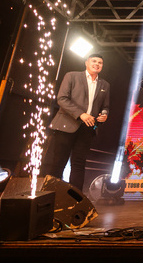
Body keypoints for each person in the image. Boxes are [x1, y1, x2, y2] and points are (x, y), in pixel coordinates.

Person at [45, 53, 110, 191]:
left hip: (88, 128)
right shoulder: (72, 76)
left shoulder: (105, 85)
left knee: (79, 164)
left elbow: (105, 107)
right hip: (66, 125)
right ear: (86, 63)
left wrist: (104, 115)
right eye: (94, 61)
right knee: (58, 162)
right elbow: (62, 99)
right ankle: (49, 195)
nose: (97, 64)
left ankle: (75, 198)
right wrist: (81, 114)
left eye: (100, 63)